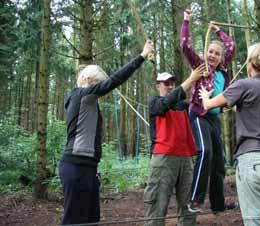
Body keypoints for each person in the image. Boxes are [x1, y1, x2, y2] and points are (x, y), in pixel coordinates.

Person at [58, 40, 154, 225]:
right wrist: (142, 56)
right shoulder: (82, 95)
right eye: (98, 84)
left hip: (88, 167)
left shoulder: (86, 102)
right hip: (76, 167)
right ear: (90, 81)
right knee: (74, 221)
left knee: (91, 219)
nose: (101, 89)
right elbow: (114, 81)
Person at [198, 42, 260, 226]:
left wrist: (204, 95)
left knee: (255, 222)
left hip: (252, 160)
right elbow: (246, 108)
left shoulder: (244, 85)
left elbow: (209, 105)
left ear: (251, 61)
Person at [180, 9, 236, 213]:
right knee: (205, 152)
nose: (212, 55)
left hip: (214, 119)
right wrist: (187, 21)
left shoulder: (222, 70)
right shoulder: (200, 66)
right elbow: (185, 45)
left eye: (217, 53)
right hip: (198, 115)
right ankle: (195, 200)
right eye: (210, 52)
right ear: (205, 54)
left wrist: (218, 30)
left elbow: (231, 45)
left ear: (222, 58)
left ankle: (218, 205)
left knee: (219, 162)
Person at [144, 64, 205, 226]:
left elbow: (202, 105)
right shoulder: (155, 103)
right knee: (157, 206)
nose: (170, 86)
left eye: (173, 83)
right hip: (163, 159)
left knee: (188, 208)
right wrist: (190, 80)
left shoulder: (184, 106)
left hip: (186, 160)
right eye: (166, 83)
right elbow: (166, 103)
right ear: (158, 86)